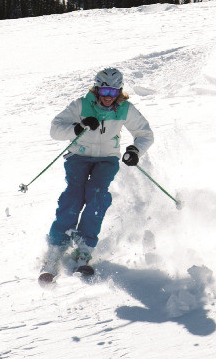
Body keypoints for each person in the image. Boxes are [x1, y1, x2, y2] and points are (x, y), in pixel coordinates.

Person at [39, 67, 154, 282]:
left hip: (106, 159)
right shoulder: (81, 105)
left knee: (97, 195)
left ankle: (84, 249)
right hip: (78, 157)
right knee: (74, 196)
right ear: (97, 90)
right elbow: (55, 129)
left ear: (119, 92)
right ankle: (55, 248)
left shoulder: (125, 109)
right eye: (104, 92)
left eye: (113, 93)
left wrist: (134, 151)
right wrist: (78, 127)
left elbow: (145, 134)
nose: (108, 98)